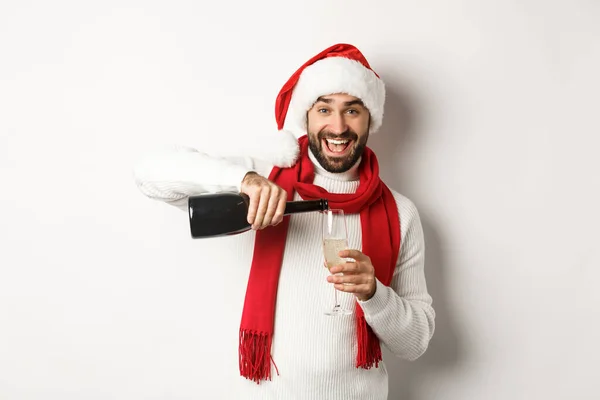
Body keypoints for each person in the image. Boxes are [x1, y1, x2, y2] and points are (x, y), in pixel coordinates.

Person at [133, 43, 435, 400]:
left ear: (370, 118)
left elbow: (415, 343)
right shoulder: (264, 180)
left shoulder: (400, 213)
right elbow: (149, 173)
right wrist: (242, 181)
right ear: (306, 116)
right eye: (325, 109)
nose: (338, 126)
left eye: (351, 110)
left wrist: (374, 294)